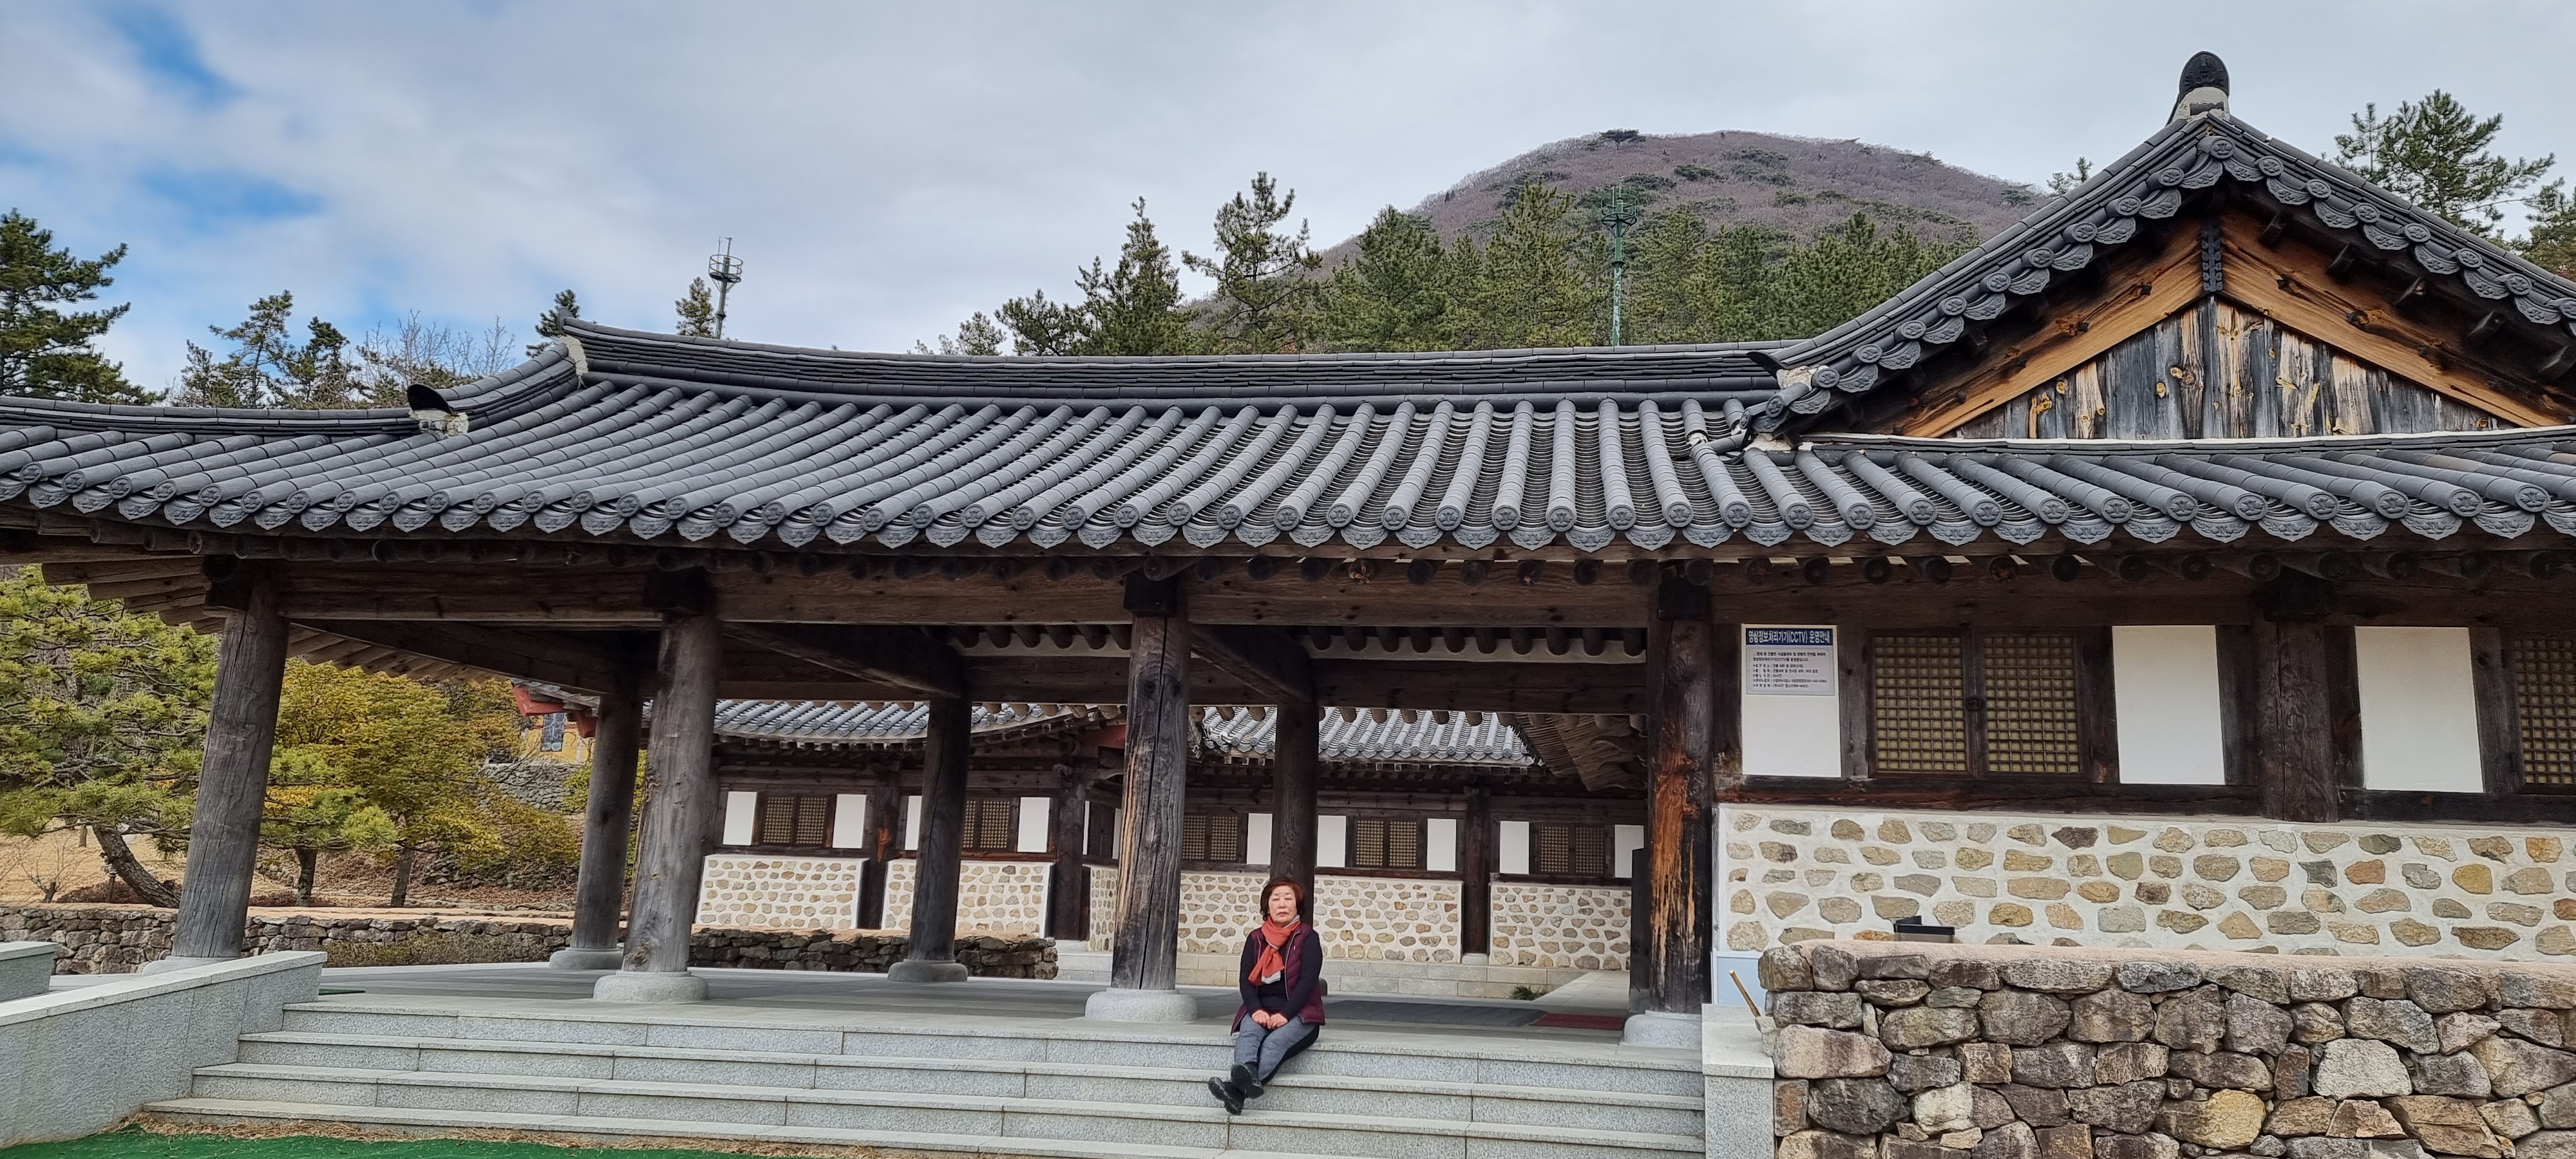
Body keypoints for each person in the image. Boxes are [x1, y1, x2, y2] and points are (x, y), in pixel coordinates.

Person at [1208, 876, 1324, 1115]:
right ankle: (1239, 1091)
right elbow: (1246, 980)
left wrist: (1285, 1014)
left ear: (1297, 905)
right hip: (1261, 1007)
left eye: (1288, 898)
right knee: (1249, 1034)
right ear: (1267, 906)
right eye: (1276, 899)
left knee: (1273, 1043)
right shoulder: (1255, 938)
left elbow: (1307, 982)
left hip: (1301, 1013)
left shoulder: (1308, 937)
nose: (1282, 904)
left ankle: (1235, 1091)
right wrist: (1255, 1010)